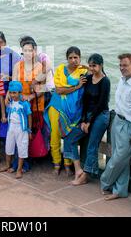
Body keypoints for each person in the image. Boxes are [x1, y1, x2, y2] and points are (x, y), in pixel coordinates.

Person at [100, 53, 131, 201]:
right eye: (120, 65)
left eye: (125, 65)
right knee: (121, 160)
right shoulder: (122, 80)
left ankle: (104, 182)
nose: (122, 68)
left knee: (117, 160)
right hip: (117, 121)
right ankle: (119, 191)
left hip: (129, 126)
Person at [44, 46, 88, 178]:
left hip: (74, 110)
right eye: (70, 58)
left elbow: (99, 72)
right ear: (67, 58)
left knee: (69, 135)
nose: (73, 60)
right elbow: (59, 90)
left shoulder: (84, 71)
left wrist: (85, 66)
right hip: (57, 106)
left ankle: (68, 164)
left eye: (76, 57)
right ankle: (57, 163)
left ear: (80, 58)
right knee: (55, 135)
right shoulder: (60, 70)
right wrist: (77, 86)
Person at [73, 53, 111, 185]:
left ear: (101, 65)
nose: (91, 68)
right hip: (88, 114)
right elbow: (84, 100)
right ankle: (89, 169)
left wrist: (90, 122)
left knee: (92, 145)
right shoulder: (88, 79)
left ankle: (86, 174)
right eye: (90, 66)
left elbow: (101, 104)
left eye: (94, 66)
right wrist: (83, 120)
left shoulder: (105, 81)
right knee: (72, 137)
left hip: (100, 115)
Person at [11, 38, 47, 170]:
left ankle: (29, 160)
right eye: (25, 50)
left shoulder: (41, 67)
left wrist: (31, 96)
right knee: (18, 133)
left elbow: (45, 88)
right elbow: (14, 85)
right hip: (19, 104)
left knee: (30, 132)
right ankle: (19, 162)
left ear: (35, 51)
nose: (27, 53)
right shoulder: (17, 66)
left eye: (30, 50)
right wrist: (17, 98)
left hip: (35, 104)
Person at [0, 81, 32, 179]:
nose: (13, 95)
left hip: (22, 129)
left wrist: (29, 130)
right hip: (11, 128)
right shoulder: (10, 102)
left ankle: (19, 169)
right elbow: (7, 110)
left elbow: (29, 116)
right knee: (9, 147)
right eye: (11, 92)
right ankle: (8, 165)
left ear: (20, 92)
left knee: (22, 148)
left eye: (15, 93)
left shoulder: (24, 104)